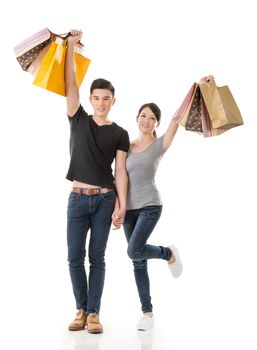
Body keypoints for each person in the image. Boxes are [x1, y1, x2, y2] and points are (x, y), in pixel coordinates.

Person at [115, 76, 211, 331]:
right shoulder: (125, 145)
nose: (146, 120)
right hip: (129, 209)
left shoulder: (160, 144)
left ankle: (167, 253)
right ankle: (147, 314)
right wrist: (118, 206)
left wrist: (196, 87)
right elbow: (119, 176)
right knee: (137, 259)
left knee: (134, 251)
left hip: (150, 206)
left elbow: (177, 119)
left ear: (156, 123)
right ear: (137, 117)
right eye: (143, 116)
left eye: (152, 118)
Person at [65, 30, 130, 334]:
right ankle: (80, 309)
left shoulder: (120, 133)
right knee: (75, 257)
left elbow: (121, 171)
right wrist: (69, 48)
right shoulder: (78, 118)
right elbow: (70, 85)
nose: (101, 103)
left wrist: (121, 203)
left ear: (113, 101)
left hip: (105, 200)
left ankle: (94, 314)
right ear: (90, 99)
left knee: (97, 258)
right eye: (96, 98)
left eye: (106, 99)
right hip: (77, 199)